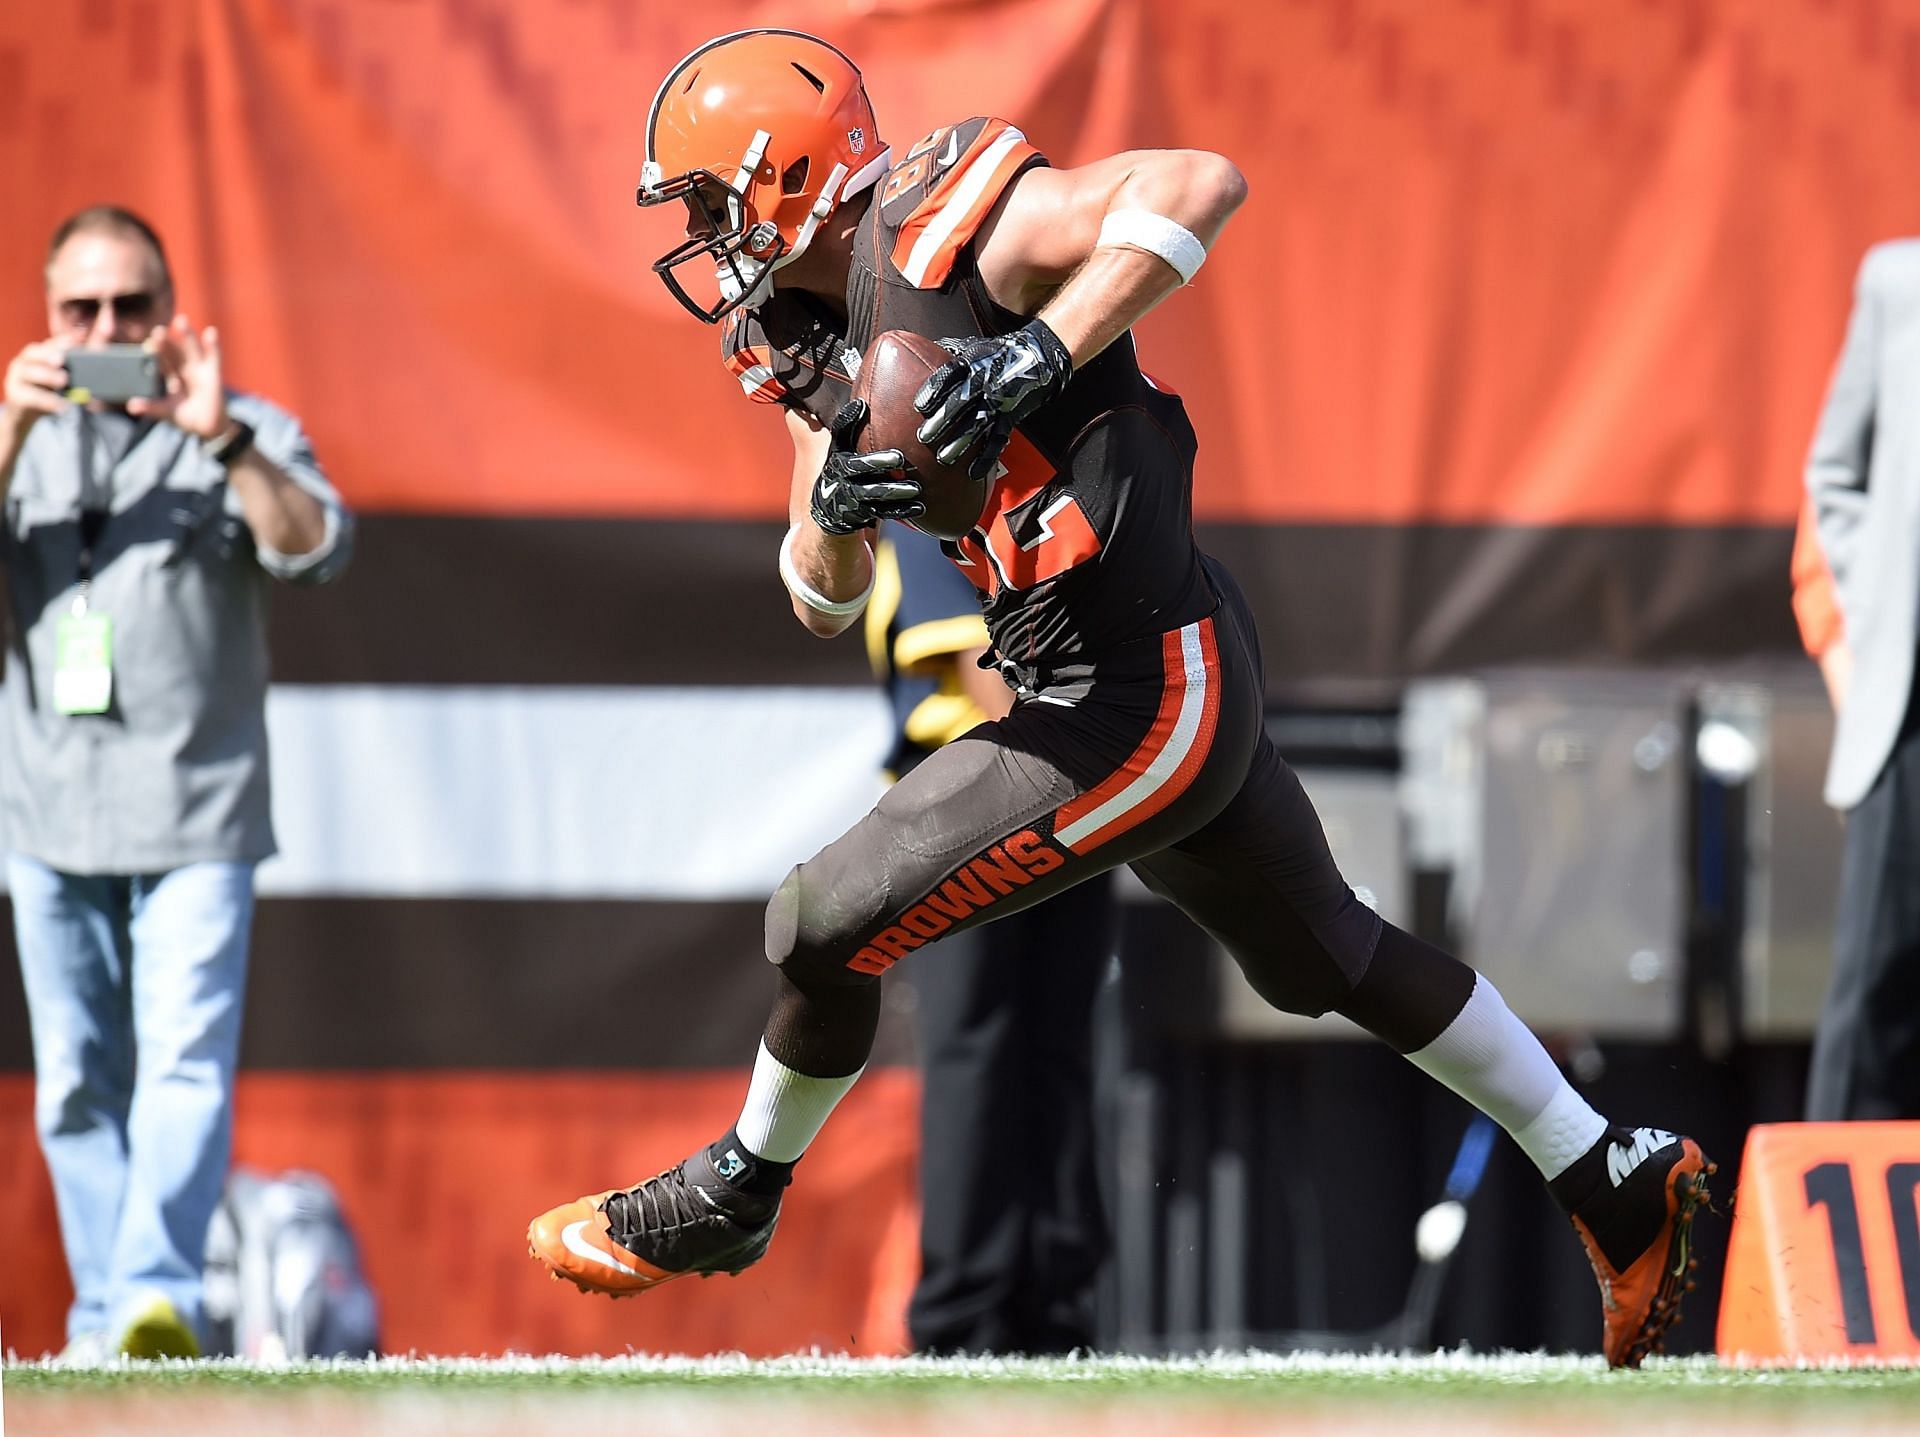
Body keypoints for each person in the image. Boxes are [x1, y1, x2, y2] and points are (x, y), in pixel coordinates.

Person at [528, 30, 1712, 1368]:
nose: (703, 236)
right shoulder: (796, 329)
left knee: (823, 918)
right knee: (1327, 955)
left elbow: (1201, 182)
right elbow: (817, 587)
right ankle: (1609, 1172)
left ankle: (737, 1191)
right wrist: (842, 523)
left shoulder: (944, 223)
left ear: (788, 174)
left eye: (709, 201)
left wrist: (1038, 351)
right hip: (1113, 669)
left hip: (1139, 686)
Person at [0, 206, 354, 1360]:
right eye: (81, 309)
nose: (109, 328)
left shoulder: (239, 424)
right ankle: (111, 1318)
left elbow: (317, 546)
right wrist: (9, 423)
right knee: (75, 1087)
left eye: (131, 306)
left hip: (198, 814)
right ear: (47, 318)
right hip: (47, 814)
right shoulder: (22, 439)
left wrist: (225, 444)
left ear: (171, 311)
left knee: (185, 1065)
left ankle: (156, 1293)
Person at [870, 520, 1116, 1355]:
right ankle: (962, 1318)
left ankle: (1056, 1310)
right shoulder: (925, 478)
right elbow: (984, 670)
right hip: (961, 802)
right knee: (976, 1049)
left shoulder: (1056, 482)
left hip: (1075, 799)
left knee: (1058, 1044)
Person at [1797, 241, 1920, 1121]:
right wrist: (1868, 672)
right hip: (1906, 713)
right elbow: (1829, 493)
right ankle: (1835, 1248)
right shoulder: (1898, 283)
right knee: (1876, 997)